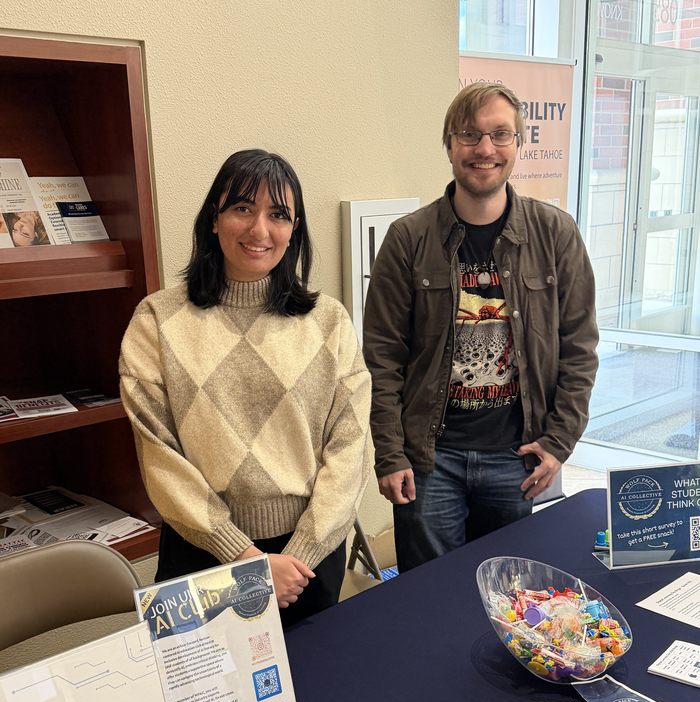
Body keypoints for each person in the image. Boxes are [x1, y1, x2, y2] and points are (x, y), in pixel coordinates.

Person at [120, 149, 370, 621]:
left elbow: (350, 447)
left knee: (314, 669)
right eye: (242, 208)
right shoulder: (156, 322)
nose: (259, 230)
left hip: (306, 561)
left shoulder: (330, 322)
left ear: (294, 229)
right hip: (202, 551)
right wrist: (244, 557)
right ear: (214, 219)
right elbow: (158, 455)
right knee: (207, 673)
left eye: (278, 214)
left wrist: (303, 551)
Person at [363, 83, 598, 572]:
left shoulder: (556, 234)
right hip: (429, 462)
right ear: (449, 145)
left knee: (512, 595)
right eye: (469, 134)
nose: (485, 148)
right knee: (429, 597)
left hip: (518, 457)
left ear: (518, 143)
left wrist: (560, 441)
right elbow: (382, 358)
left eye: (500, 134)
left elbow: (579, 348)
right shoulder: (407, 239)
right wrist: (390, 453)